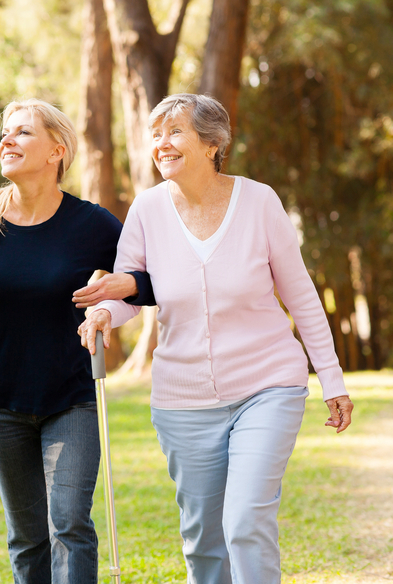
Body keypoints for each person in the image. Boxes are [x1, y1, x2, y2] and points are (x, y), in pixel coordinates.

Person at [76, 93, 354, 584]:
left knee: (245, 522)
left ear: (211, 143)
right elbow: (130, 292)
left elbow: (303, 297)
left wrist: (331, 379)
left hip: (267, 385)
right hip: (182, 401)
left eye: (174, 132)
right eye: (156, 135)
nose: (162, 144)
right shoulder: (147, 210)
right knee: (204, 541)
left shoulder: (259, 201)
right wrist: (103, 311)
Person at [0, 99, 154, 584]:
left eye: (22, 133)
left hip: (72, 399)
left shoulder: (91, 223)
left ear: (57, 150)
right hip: (2, 405)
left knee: (69, 523)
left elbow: (148, 280)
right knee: (26, 537)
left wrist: (115, 295)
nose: (7, 141)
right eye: (5, 133)